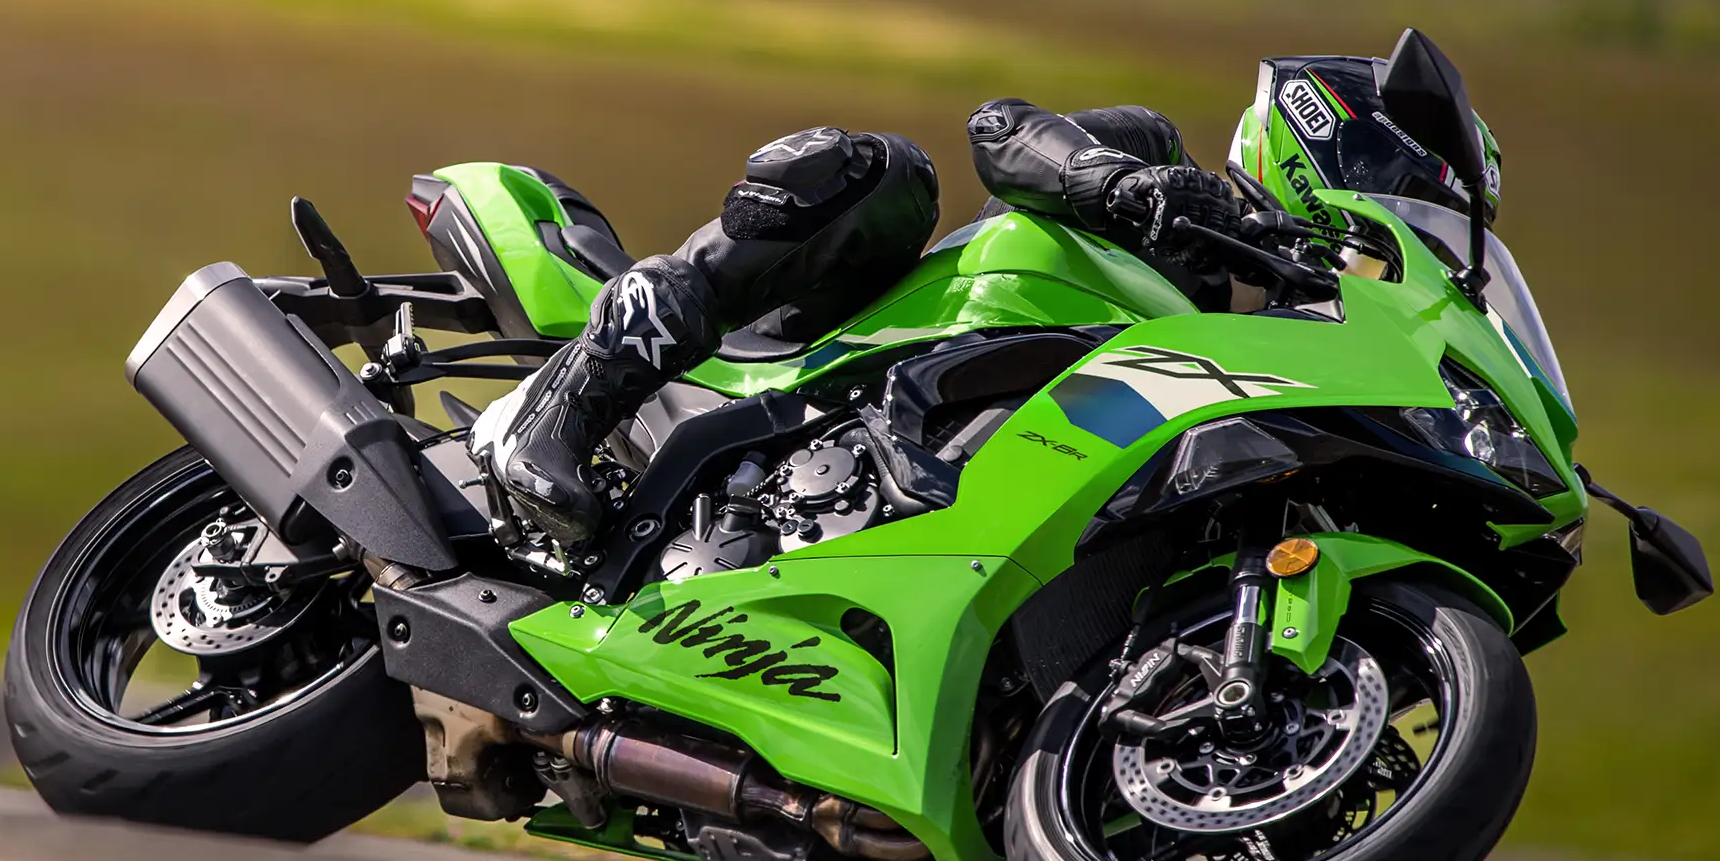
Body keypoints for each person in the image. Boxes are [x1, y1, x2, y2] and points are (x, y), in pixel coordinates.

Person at [489, 100, 1247, 547]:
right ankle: (567, 409)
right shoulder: (1164, 174)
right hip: (868, 342)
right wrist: (1122, 181)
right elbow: (1000, 127)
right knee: (886, 172)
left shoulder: (1266, 382)